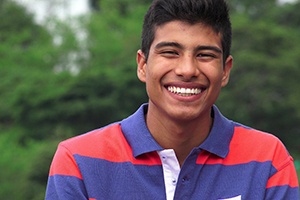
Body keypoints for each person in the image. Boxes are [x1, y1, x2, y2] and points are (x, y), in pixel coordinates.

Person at [45, 0, 299, 199]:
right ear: (143, 65)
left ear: (225, 71)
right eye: (170, 52)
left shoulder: (268, 159)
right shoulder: (78, 161)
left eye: (205, 55)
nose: (187, 69)